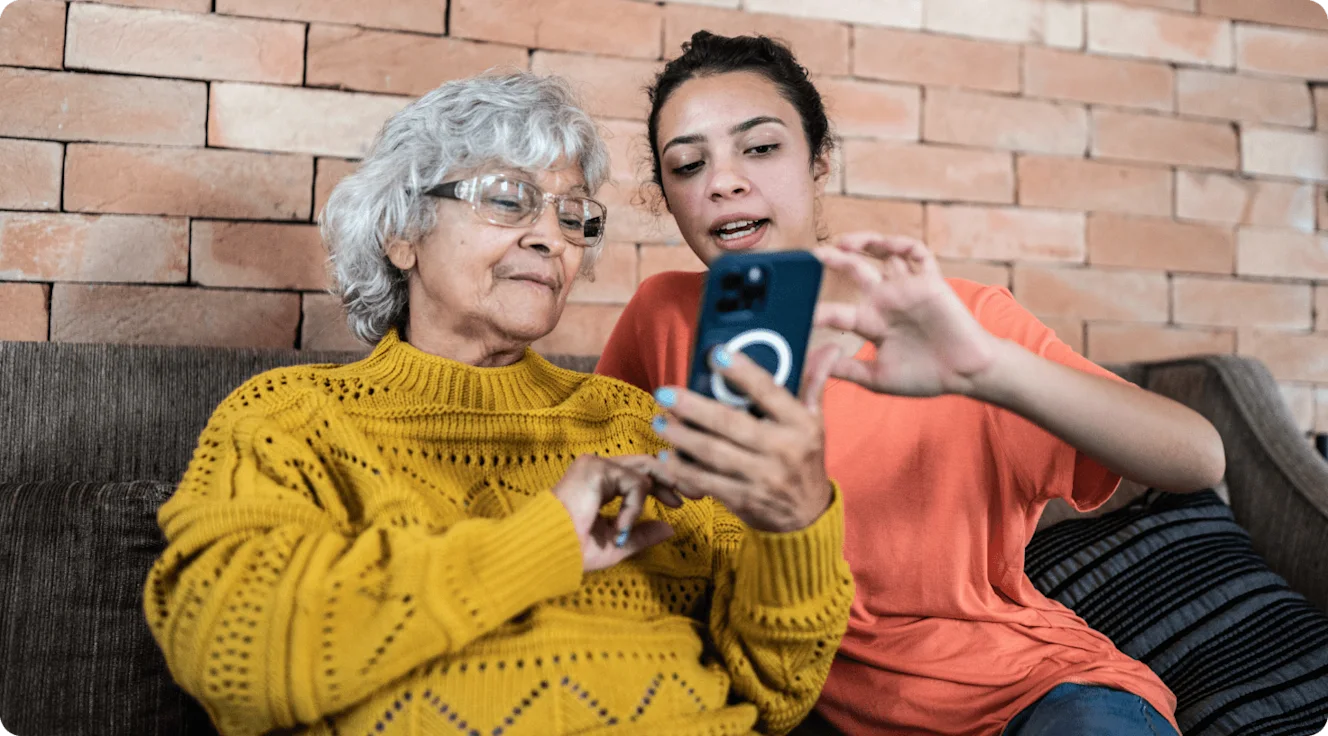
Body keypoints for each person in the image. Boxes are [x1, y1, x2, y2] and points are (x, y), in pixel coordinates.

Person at [143, 70, 854, 736]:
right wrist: (541, 542)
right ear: (402, 234)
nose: (550, 236)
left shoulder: (632, 422)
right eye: (508, 199)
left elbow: (778, 694)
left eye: (572, 215)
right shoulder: (290, 418)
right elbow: (230, 654)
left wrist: (795, 523)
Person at [595, 31, 1227, 736]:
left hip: (1027, 697)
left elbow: (1197, 457)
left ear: (819, 161)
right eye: (687, 164)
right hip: (785, 690)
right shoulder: (661, 319)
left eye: (761, 147)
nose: (722, 181)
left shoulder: (956, 319)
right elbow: (597, 491)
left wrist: (986, 367)